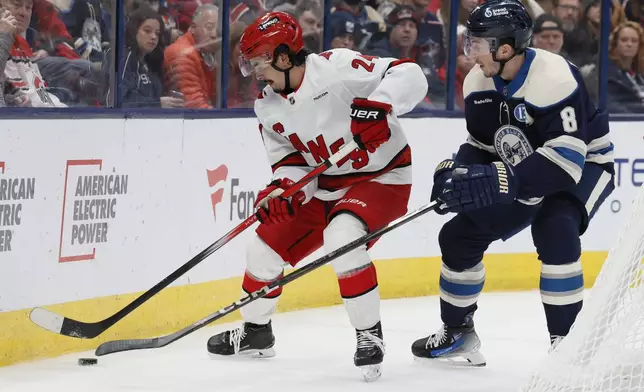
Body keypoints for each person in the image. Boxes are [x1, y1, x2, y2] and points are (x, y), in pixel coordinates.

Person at [206, 11, 427, 381]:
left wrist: (380, 105)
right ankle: (257, 333)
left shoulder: (336, 67)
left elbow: (410, 74)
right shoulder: (268, 106)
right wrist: (285, 191)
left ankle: (369, 335)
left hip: (381, 177)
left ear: (282, 56)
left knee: (342, 237)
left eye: (258, 62)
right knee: (261, 250)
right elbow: (291, 163)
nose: (255, 73)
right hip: (324, 186)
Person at [411, 0, 615, 366]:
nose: (470, 52)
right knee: (457, 237)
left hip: (585, 164)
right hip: (523, 167)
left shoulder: (554, 76)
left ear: (505, 48)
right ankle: (459, 333)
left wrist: (502, 178)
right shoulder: (479, 80)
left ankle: (568, 348)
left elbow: (566, 161)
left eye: (477, 43)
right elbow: (482, 145)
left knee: (555, 226)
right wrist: (457, 173)